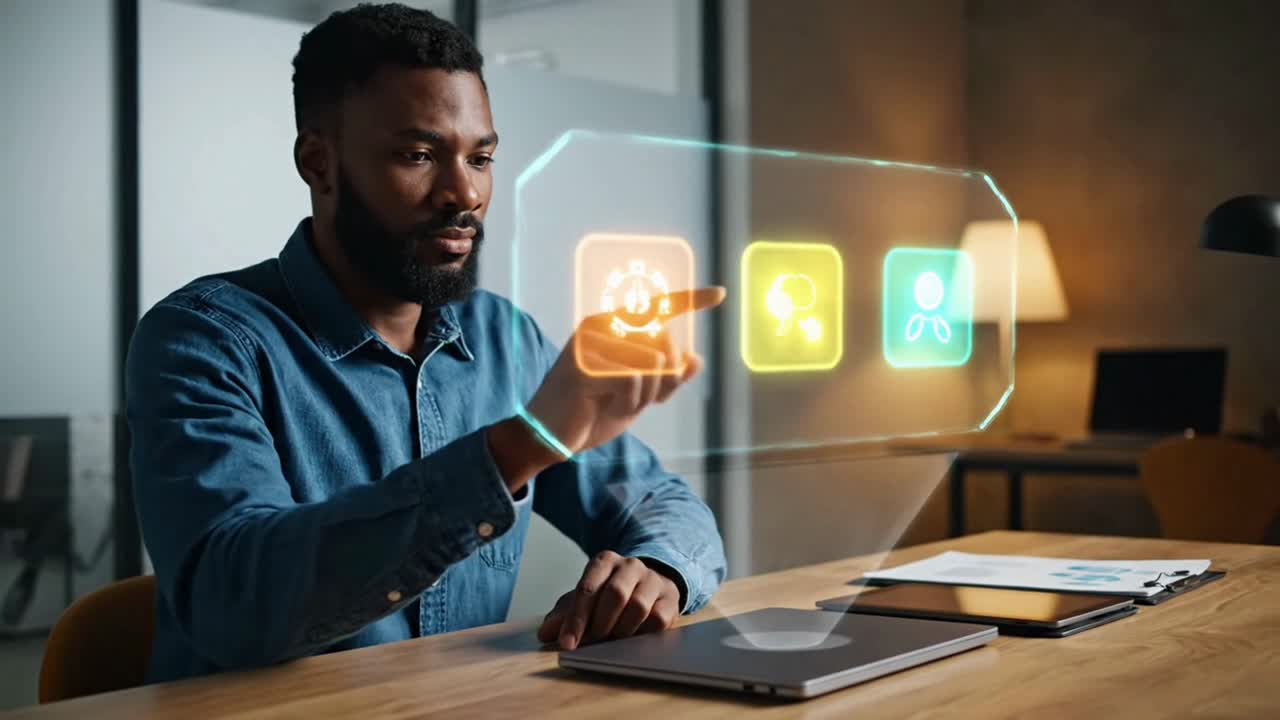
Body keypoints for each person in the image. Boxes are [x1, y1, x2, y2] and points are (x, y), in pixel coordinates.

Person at [127, 3, 726, 683]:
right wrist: (518, 448)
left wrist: (656, 571)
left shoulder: (505, 339)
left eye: (481, 157)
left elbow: (662, 503)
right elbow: (233, 602)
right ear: (318, 163)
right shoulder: (205, 340)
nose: (464, 192)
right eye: (419, 155)